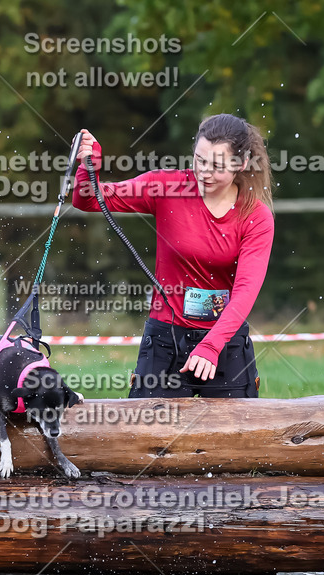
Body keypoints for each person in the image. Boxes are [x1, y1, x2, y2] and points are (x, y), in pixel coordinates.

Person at [71, 113, 275, 398]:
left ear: (240, 164)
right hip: (165, 341)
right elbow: (89, 200)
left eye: (217, 166)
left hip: (225, 345)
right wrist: (88, 169)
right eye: (200, 160)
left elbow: (245, 291)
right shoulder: (167, 187)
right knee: (143, 439)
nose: (205, 172)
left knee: (235, 441)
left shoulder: (256, 217)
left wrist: (212, 345)